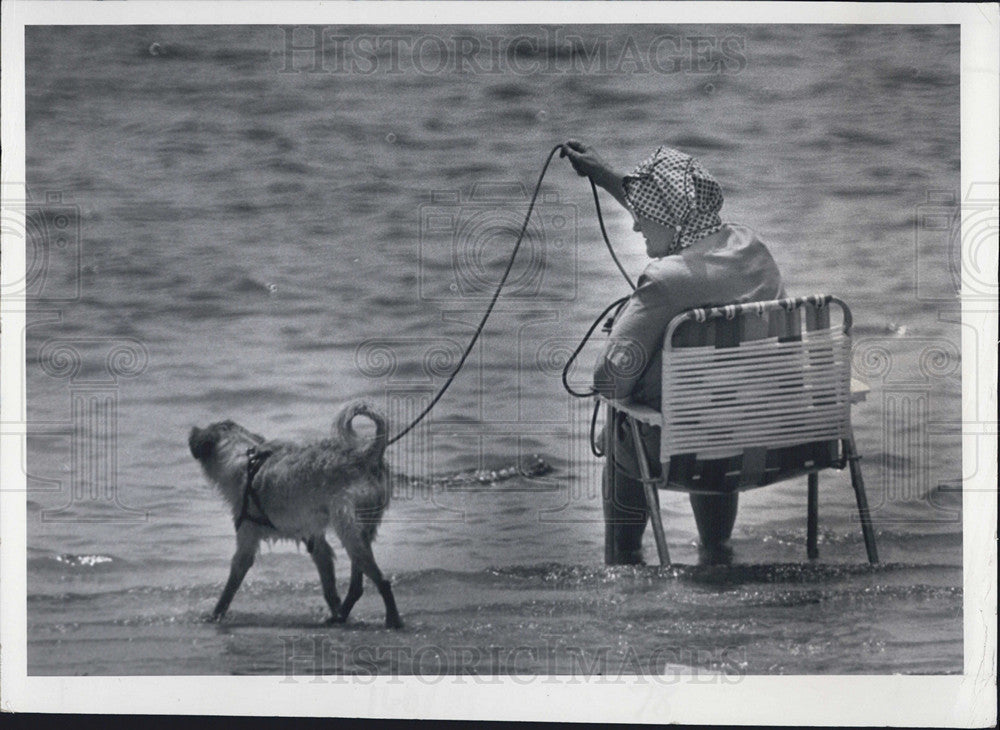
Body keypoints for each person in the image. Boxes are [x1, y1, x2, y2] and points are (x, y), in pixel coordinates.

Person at [560, 140, 786, 565]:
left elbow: (607, 381)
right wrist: (605, 175)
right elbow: (673, 217)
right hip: (766, 440)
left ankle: (623, 560)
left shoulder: (666, 280)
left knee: (621, 425)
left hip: (688, 448)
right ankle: (716, 553)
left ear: (667, 216)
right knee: (716, 407)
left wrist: (632, 326)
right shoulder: (751, 248)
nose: (635, 226)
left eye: (643, 215)